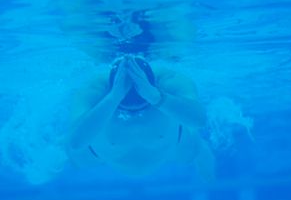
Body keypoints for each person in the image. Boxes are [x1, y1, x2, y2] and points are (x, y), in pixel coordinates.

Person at [65, 54, 215, 179]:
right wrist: (113, 98)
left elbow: (199, 119)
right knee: (69, 155)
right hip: (98, 155)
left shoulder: (170, 81)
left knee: (194, 150)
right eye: (124, 109)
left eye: (143, 106)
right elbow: (75, 141)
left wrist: (156, 97)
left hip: (174, 147)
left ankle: (201, 150)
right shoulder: (93, 90)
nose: (133, 114)